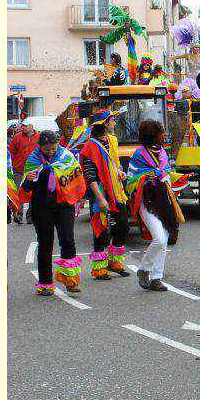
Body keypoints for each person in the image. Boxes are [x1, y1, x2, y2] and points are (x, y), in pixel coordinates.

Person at [21, 131, 86, 294]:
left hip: (64, 204)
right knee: (45, 243)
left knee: (68, 239)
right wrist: (29, 179)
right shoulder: (33, 160)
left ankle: (70, 280)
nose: (50, 151)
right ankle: (45, 283)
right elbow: (25, 188)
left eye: (53, 148)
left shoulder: (66, 156)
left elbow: (76, 175)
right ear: (40, 147)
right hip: (42, 206)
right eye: (47, 149)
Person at [126, 120, 185, 292]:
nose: (165, 134)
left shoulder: (163, 153)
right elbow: (132, 179)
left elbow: (166, 173)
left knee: (165, 239)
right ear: (153, 135)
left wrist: (175, 177)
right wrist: (148, 177)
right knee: (159, 238)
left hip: (164, 200)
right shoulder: (138, 155)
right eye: (162, 132)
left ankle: (156, 278)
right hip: (147, 201)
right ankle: (144, 269)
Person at [79, 110, 131, 281]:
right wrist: (100, 198)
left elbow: (114, 163)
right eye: (113, 120)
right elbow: (90, 176)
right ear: (105, 124)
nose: (115, 122)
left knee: (123, 224)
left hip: (116, 190)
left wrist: (120, 172)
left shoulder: (113, 141)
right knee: (100, 228)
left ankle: (114, 261)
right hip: (100, 192)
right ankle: (99, 267)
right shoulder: (89, 148)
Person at [9, 123, 40, 224]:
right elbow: (11, 152)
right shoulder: (17, 137)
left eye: (25, 126)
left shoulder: (39, 137)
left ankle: (31, 216)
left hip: (33, 170)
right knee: (18, 192)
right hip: (19, 170)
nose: (22, 128)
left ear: (32, 126)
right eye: (22, 126)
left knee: (33, 193)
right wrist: (15, 163)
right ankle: (18, 214)